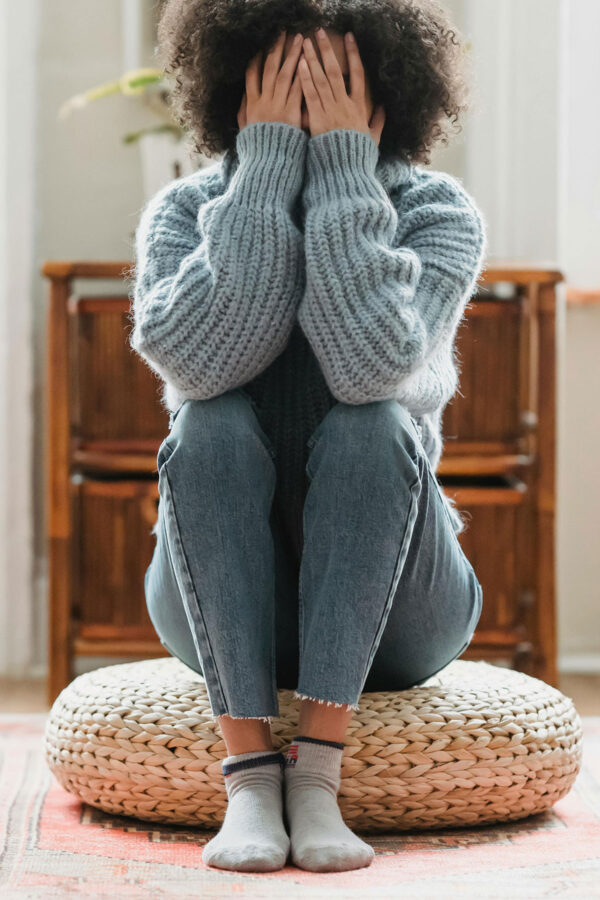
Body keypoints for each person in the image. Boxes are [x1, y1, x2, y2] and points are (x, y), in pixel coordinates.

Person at [128, 0, 487, 875]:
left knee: (371, 423)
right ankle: (251, 774)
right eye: (285, 73)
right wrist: (265, 175)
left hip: (401, 611)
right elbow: (203, 364)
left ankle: (317, 774)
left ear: (385, 89)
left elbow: (371, 370)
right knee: (207, 422)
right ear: (236, 85)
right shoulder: (184, 211)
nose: (308, 93)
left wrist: (344, 176)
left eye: (333, 78)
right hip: (216, 602)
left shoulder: (436, 212)